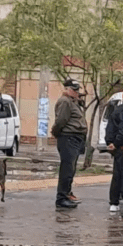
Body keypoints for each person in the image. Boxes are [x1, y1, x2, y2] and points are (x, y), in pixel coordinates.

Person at [51, 78, 87, 209]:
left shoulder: (73, 102)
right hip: (68, 137)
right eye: (73, 90)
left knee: (71, 169)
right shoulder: (65, 102)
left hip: (76, 137)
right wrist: (56, 133)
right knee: (67, 169)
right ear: (66, 89)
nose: (76, 92)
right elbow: (61, 121)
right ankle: (61, 198)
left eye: (77, 90)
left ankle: (67, 193)